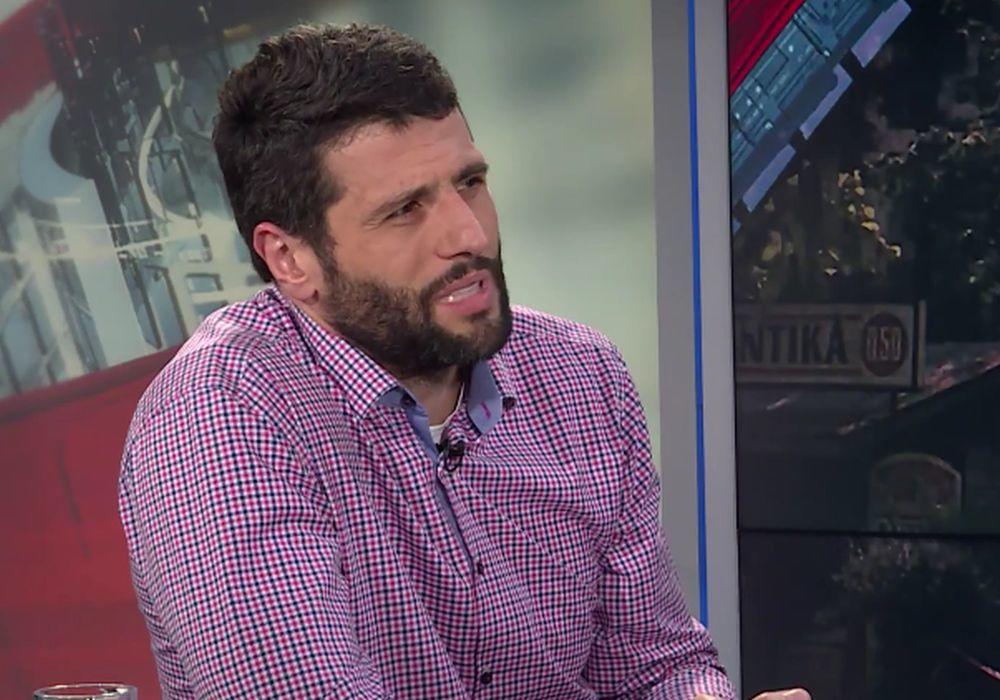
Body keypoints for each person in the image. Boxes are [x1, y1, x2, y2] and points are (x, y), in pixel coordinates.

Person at [119, 23, 808, 700]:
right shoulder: (222, 414)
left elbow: (654, 669)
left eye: (470, 182)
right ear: (291, 259)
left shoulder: (582, 375)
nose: (470, 233)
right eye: (405, 210)